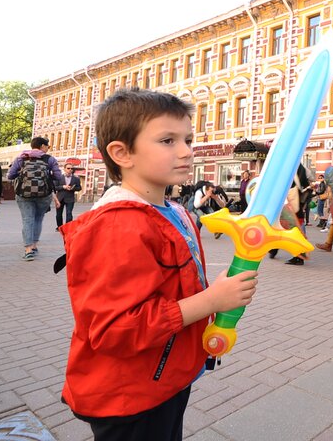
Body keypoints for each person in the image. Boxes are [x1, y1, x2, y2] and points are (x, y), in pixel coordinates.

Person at [59, 88, 257, 440]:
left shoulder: (172, 210)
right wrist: (212, 301)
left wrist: (217, 290)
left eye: (188, 139)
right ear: (122, 153)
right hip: (130, 394)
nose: (186, 151)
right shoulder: (118, 224)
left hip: (165, 377)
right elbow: (113, 329)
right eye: (167, 140)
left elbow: (170, 289)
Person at [7, 136, 63, 261]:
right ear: (43, 146)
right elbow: (58, 177)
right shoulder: (49, 159)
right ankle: (34, 245)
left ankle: (28, 250)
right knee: (38, 219)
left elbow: (10, 175)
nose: (48, 148)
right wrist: (47, 176)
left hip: (23, 193)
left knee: (27, 220)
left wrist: (22, 175)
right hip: (44, 194)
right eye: (47, 146)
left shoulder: (21, 158)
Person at [55, 163, 82, 230]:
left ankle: (67, 227)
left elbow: (79, 188)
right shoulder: (59, 178)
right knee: (59, 214)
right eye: (68, 168)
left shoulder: (76, 179)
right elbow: (55, 187)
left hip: (70, 198)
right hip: (60, 198)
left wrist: (73, 188)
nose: (70, 170)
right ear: (64, 169)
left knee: (69, 213)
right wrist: (63, 187)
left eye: (71, 168)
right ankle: (60, 227)